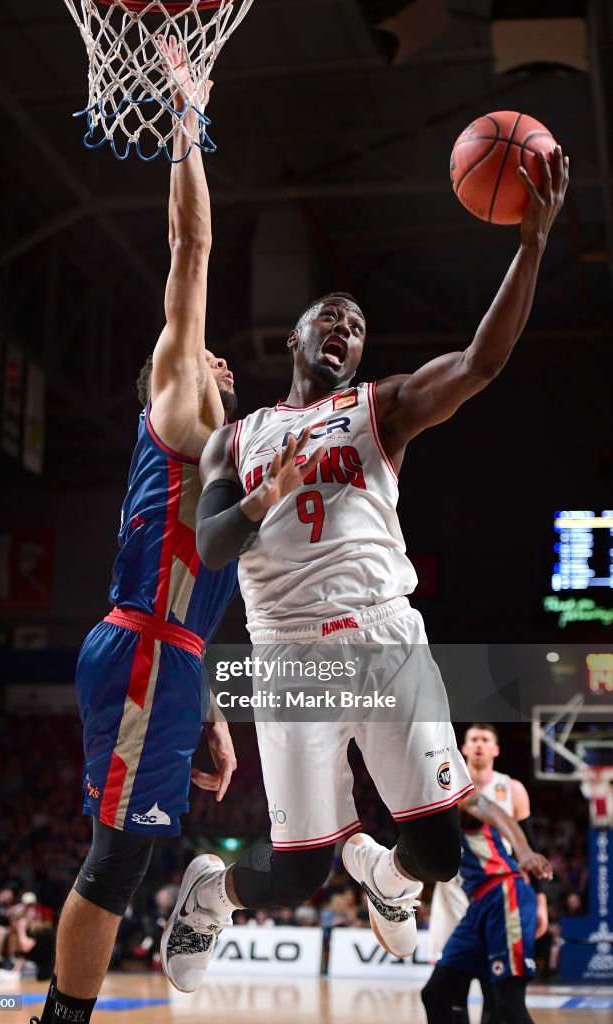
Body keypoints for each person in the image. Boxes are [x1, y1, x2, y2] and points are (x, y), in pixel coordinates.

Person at [156, 145, 569, 994]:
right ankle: (211, 887)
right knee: (298, 875)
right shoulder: (239, 437)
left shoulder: (378, 407)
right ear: (297, 337)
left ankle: (384, 876)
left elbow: (479, 364)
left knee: (438, 856)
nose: (345, 329)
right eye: (331, 318)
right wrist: (264, 497)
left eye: (357, 325)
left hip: (386, 638)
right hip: (288, 656)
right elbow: (209, 547)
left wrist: (530, 242)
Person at [29, 39, 239, 1024]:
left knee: (129, 850)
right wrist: (185, 119)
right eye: (210, 361)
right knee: (118, 854)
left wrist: (214, 717)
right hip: (146, 650)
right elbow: (188, 250)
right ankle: (62, 1019)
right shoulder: (182, 397)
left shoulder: (226, 466)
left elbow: (214, 597)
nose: (220, 369)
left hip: (172, 659)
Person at [429, 723, 549, 1024]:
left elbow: (496, 812)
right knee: (437, 993)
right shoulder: (432, 799)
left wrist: (523, 853)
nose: (479, 745)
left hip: (502, 890)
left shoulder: (475, 793)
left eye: (486, 740)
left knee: (503, 1001)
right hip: (467, 897)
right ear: (463, 748)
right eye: (474, 739)